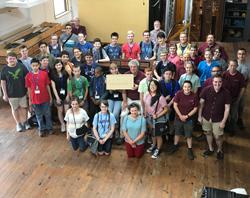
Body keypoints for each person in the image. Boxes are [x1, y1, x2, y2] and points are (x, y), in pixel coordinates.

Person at [198, 74, 231, 160]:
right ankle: (210, 148)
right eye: (215, 82)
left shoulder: (226, 93)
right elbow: (201, 104)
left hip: (218, 119)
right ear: (212, 82)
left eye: (219, 82)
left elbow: (227, 109)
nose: (217, 84)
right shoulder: (206, 90)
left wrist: (223, 122)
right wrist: (199, 116)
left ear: (222, 82)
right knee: (208, 133)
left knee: (218, 136)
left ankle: (219, 150)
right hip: (206, 117)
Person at [1, 51, 30, 132]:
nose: (12, 60)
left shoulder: (21, 66)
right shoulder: (4, 69)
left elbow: (27, 78)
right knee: (15, 109)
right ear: (7, 59)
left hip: (22, 92)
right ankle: (18, 124)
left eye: (13, 59)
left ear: (16, 59)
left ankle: (25, 122)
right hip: (11, 94)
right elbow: (3, 82)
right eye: (10, 59)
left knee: (24, 107)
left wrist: (28, 90)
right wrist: (5, 94)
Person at [169, 81, 198, 160]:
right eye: (185, 87)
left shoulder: (194, 96)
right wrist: (180, 115)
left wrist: (187, 116)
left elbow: (195, 108)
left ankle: (190, 149)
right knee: (177, 132)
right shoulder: (179, 93)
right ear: (183, 87)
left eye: (188, 87)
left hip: (189, 119)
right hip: (178, 118)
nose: (187, 88)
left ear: (191, 88)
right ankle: (175, 145)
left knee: (189, 135)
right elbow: (175, 105)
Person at [25, 58, 53, 137]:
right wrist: (30, 100)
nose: (35, 67)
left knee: (47, 114)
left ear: (39, 65)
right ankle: (41, 129)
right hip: (34, 99)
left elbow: (47, 86)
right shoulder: (28, 76)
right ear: (31, 66)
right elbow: (29, 89)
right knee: (38, 115)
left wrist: (50, 97)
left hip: (45, 98)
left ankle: (49, 128)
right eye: (33, 66)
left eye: (36, 65)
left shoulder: (44, 74)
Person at [144, 80, 168, 159]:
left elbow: (166, 109)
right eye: (151, 85)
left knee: (158, 135)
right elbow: (146, 105)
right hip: (149, 117)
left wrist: (157, 115)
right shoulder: (147, 95)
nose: (152, 86)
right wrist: (145, 113)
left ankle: (158, 149)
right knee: (152, 133)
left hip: (158, 118)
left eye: (154, 85)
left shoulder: (161, 97)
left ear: (157, 87)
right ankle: (153, 145)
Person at [223, 60, 246, 135]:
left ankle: (232, 129)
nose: (232, 67)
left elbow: (243, 88)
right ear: (228, 65)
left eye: (234, 66)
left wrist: (238, 99)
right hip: (225, 99)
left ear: (237, 66)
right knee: (224, 114)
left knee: (233, 116)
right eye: (231, 65)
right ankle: (225, 127)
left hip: (234, 99)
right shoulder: (225, 74)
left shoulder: (240, 76)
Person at [50, 60, 70, 132]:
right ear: (55, 66)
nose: (59, 66)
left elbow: (68, 85)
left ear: (62, 65)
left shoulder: (65, 73)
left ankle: (68, 124)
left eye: (60, 65)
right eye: (57, 65)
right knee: (60, 110)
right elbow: (53, 88)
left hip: (65, 94)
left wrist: (68, 95)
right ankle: (62, 124)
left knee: (67, 110)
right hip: (57, 95)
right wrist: (57, 98)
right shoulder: (52, 75)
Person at [106, 63, 123, 144]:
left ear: (117, 69)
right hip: (110, 98)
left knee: (115, 114)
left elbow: (123, 91)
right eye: (112, 69)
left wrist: (118, 87)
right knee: (109, 113)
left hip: (119, 98)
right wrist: (110, 86)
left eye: (115, 68)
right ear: (110, 70)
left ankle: (116, 130)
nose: (114, 70)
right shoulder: (108, 77)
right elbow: (109, 91)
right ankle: (110, 131)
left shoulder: (121, 77)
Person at [236, 48, 249, 129]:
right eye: (240, 54)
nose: (241, 55)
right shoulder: (233, 64)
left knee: (241, 104)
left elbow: (248, 79)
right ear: (237, 55)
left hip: (242, 88)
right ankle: (230, 120)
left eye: (243, 54)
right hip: (232, 88)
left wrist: (244, 87)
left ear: (245, 55)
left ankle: (239, 119)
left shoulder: (248, 66)